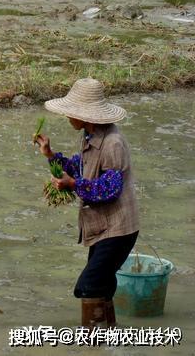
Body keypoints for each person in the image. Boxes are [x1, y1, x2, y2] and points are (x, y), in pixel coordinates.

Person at [34, 78, 139, 328]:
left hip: (118, 229)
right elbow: (79, 169)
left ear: (86, 116)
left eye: (72, 113)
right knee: (102, 284)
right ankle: (108, 340)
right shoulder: (90, 136)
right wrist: (50, 154)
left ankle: (93, 343)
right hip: (103, 228)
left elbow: (109, 188)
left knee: (89, 285)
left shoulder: (113, 143)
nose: (68, 117)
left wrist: (72, 185)